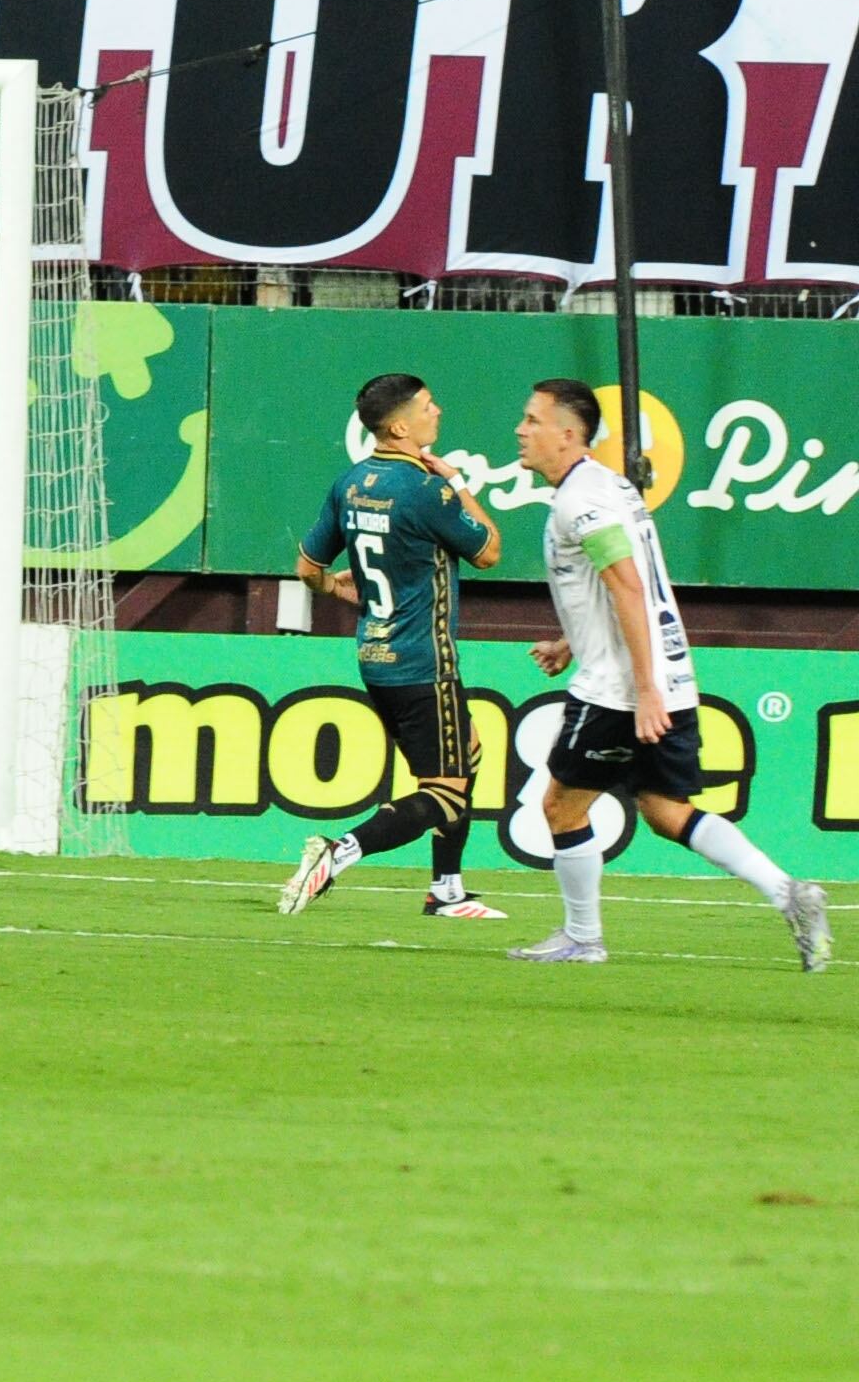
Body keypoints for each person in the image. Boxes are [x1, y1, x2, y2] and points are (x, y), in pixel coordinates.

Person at [507, 378, 828, 972]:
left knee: (560, 809)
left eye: (532, 420)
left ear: (568, 434)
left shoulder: (582, 502)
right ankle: (789, 892)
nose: (521, 431)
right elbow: (634, 586)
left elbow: (628, 586)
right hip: (667, 675)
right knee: (664, 810)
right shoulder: (612, 486)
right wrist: (569, 642)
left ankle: (583, 937)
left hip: (622, 690)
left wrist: (644, 689)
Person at [277, 374, 507, 922]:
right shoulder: (425, 489)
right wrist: (457, 481)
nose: (438, 411)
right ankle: (337, 854)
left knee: (466, 751)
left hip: (376, 657)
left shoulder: (351, 482)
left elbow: (308, 568)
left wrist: (336, 588)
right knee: (445, 791)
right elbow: (490, 551)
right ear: (400, 426)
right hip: (425, 660)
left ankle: (447, 890)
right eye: (429, 406)